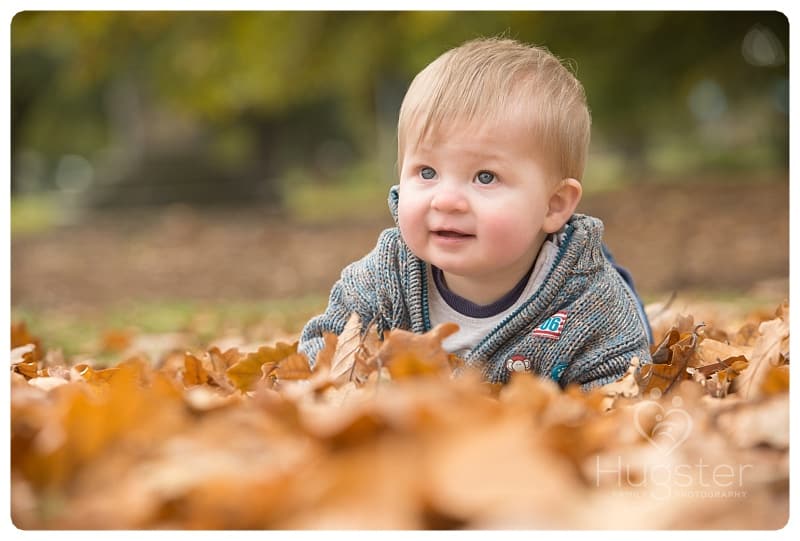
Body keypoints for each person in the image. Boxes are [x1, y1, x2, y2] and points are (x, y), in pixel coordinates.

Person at [299, 37, 652, 390]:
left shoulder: (590, 301)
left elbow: (619, 381)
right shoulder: (386, 275)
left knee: (630, 314)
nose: (446, 200)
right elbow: (324, 345)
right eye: (427, 172)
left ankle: (613, 268)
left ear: (554, 204)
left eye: (485, 177)